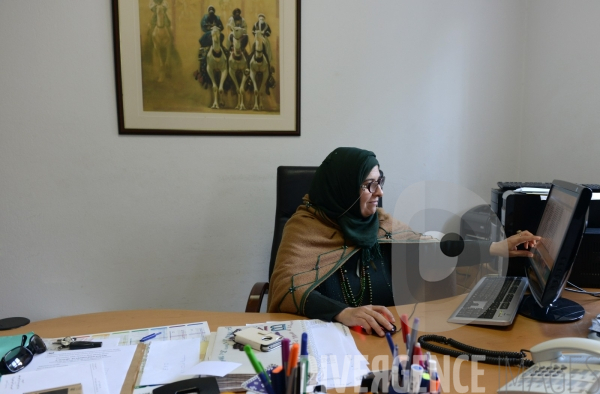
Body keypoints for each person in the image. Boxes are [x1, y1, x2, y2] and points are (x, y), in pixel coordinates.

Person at [267, 147, 540, 336]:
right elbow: (287, 291)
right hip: (331, 347)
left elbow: (434, 250)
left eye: (380, 181)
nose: (380, 192)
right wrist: (343, 313)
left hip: (392, 340)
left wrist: (497, 249)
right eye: (368, 185)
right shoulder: (304, 229)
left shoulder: (381, 223)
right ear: (341, 189)